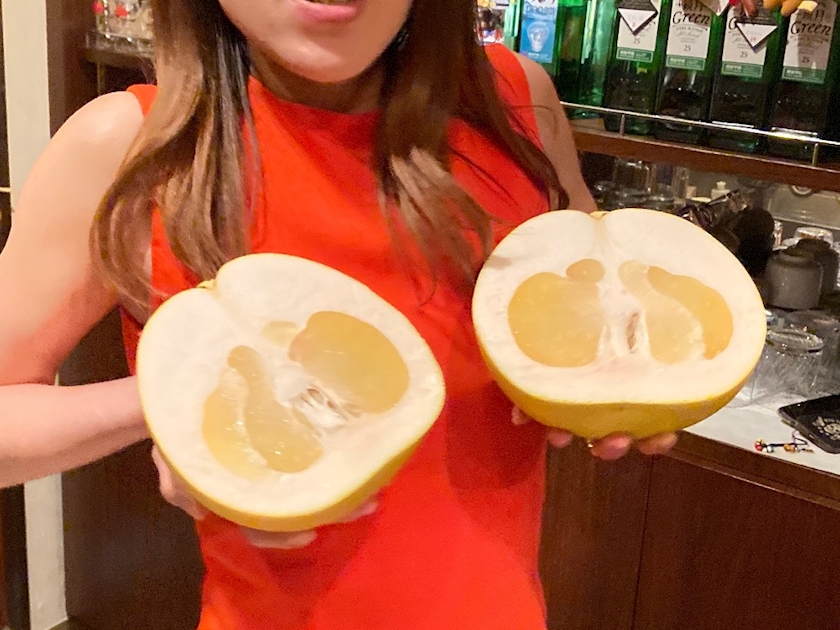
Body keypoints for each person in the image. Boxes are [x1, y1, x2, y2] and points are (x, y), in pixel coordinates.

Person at [0, 0, 677, 627]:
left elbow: (591, 289)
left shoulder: (518, 101)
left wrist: (621, 389)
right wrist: (175, 404)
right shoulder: (129, 146)